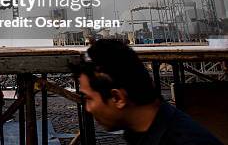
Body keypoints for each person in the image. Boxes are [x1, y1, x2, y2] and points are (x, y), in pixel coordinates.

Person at [71, 39, 221, 145]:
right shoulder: (142, 131)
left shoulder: (184, 140)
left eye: (89, 99)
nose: (87, 108)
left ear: (118, 97)